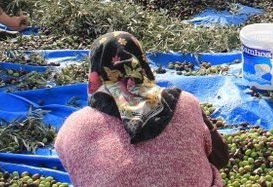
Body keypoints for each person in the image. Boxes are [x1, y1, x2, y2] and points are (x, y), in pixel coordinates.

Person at [54, 31, 229, 186]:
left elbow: (80, 176)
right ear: (141, 64)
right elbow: (221, 159)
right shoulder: (184, 102)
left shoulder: (72, 128)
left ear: (95, 74)